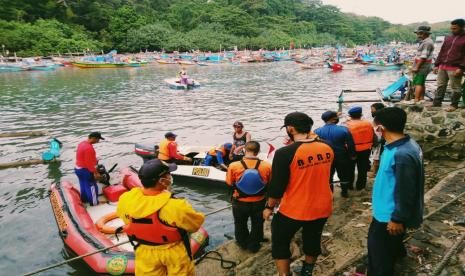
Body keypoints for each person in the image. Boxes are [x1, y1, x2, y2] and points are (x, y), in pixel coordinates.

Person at [263, 112, 333, 276]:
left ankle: (284, 274)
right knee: (313, 239)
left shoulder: (284, 153)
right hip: (322, 206)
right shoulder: (327, 147)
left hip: (294, 209)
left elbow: (277, 187)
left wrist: (269, 207)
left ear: (290, 129)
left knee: (280, 241)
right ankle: (307, 271)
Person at [117, 159, 205, 275]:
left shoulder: (126, 199)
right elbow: (195, 225)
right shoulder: (175, 206)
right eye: (168, 174)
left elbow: (124, 218)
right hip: (174, 251)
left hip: (144, 250)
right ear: (162, 181)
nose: (170, 176)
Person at [368, 107, 424, 275]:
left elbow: (406, 190)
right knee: (389, 248)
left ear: (381, 128)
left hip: (389, 216)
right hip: (383, 210)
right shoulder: (401, 144)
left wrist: (397, 219)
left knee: (379, 254)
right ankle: (396, 255)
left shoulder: (402, 155)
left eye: (375, 127)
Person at [226, 141, 272, 253]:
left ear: (244, 150)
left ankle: (242, 242)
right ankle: (254, 245)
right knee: (257, 224)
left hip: (240, 202)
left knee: (240, 223)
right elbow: (270, 184)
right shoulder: (267, 166)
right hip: (259, 202)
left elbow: (228, 182)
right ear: (258, 152)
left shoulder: (233, 165)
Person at [314, 111, 356, 198]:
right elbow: (351, 144)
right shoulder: (344, 130)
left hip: (326, 158)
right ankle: (344, 192)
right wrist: (352, 155)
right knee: (343, 175)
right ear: (333, 119)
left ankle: (330, 195)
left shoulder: (317, 131)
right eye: (336, 118)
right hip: (342, 156)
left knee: (328, 177)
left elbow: (315, 147)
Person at [432, 18, 465, 111]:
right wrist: (436, 65)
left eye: (455, 28)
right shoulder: (448, 38)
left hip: (455, 67)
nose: (452, 30)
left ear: (463, 27)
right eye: (451, 28)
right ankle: (436, 103)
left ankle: (454, 105)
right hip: (442, 66)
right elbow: (442, 52)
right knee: (440, 85)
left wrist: (461, 67)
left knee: (456, 87)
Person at [344, 106, 375, 190]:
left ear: (350, 115)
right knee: (362, 169)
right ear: (361, 114)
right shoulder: (368, 124)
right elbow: (374, 136)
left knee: (349, 169)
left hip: (351, 150)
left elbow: (343, 139)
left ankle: (349, 186)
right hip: (366, 149)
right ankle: (360, 186)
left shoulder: (346, 125)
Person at [75, 132, 104, 206]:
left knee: (83, 184)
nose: (98, 141)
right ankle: (94, 203)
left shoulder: (82, 143)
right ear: (93, 138)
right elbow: (89, 164)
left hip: (78, 169)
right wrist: (96, 173)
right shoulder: (88, 148)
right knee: (92, 186)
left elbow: (84, 157)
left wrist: (94, 160)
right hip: (85, 170)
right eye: (98, 139)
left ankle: (84, 200)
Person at [408, 25, 434, 104]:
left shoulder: (427, 43)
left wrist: (416, 67)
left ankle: (416, 99)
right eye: (418, 33)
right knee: (421, 82)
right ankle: (421, 98)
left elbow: (423, 57)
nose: (418, 35)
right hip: (424, 65)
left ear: (424, 33)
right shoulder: (426, 42)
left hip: (422, 66)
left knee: (418, 83)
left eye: (420, 33)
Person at [368, 103, 386, 178]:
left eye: (372, 110)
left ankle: (375, 173)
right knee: (376, 156)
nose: (371, 112)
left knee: (376, 157)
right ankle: (375, 169)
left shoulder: (379, 119)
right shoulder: (379, 118)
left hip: (378, 141)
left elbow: (380, 130)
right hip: (377, 140)